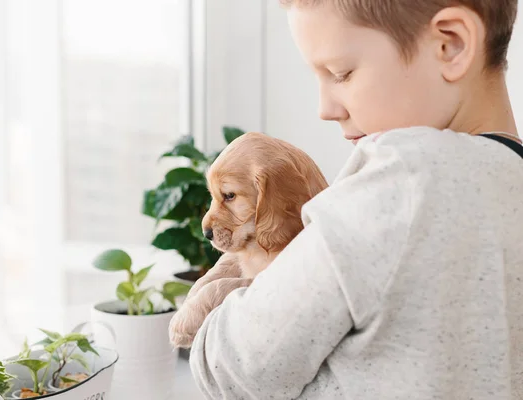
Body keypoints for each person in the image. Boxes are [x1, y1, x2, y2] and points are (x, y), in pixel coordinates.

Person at [188, 0, 523, 399]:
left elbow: (233, 367)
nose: (324, 109)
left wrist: (217, 296)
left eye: (341, 74)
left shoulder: (401, 184)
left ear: (450, 45)